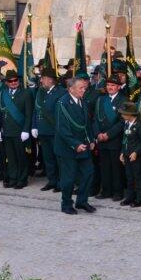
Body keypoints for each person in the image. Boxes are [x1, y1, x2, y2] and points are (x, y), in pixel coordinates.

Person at [54, 77, 96, 215]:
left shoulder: (82, 101)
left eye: (84, 88)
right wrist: (75, 144)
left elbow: (86, 124)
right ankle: (66, 204)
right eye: (81, 88)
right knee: (69, 178)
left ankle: (82, 201)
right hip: (68, 147)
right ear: (71, 89)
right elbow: (62, 128)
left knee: (88, 172)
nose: (84, 90)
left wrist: (91, 140)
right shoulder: (62, 103)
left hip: (83, 145)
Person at [93, 73, 128, 202]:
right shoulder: (101, 99)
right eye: (108, 85)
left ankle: (118, 192)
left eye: (113, 85)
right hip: (101, 139)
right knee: (104, 167)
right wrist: (98, 134)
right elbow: (95, 119)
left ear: (118, 87)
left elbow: (123, 122)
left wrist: (108, 134)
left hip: (115, 139)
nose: (110, 87)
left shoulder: (124, 100)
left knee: (116, 167)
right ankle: (106, 190)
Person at [0, 70, 33, 189]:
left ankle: (22, 179)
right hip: (7, 131)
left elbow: (29, 114)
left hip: (20, 131)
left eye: (15, 80)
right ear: (6, 82)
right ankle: (13, 178)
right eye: (10, 81)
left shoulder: (26, 93)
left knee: (21, 157)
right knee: (10, 157)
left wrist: (26, 130)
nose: (13, 82)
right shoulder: (3, 93)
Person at [33, 68, 65, 192]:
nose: (41, 81)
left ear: (50, 80)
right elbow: (36, 109)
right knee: (48, 158)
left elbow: (60, 113)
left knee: (58, 158)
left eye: (43, 78)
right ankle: (52, 181)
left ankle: (61, 182)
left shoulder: (61, 92)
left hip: (54, 130)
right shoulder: (41, 91)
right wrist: (34, 126)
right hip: (43, 130)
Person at [119, 101, 141, 207]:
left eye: (123, 113)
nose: (122, 115)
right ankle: (130, 197)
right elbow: (124, 139)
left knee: (138, 177)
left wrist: (136, 152)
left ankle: (140, 199)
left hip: (136, 156)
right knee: (129, 177)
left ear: (130, 114)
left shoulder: (139, 125)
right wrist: (122, 152)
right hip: (127, 154)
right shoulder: (127, 124)